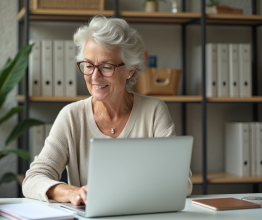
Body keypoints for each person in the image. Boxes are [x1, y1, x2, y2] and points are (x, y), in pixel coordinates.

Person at [22, 15, 193, 205]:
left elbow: (182, 183)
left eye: (106, 67)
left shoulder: (153, 111)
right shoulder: (71, 116)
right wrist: (73, 193)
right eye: (88, 65)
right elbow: (33, 179)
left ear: (130, 69)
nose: (95, 76)